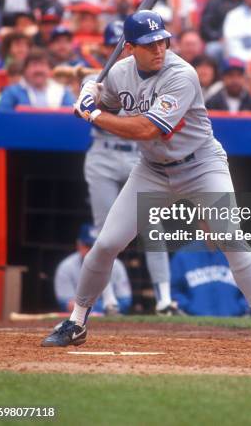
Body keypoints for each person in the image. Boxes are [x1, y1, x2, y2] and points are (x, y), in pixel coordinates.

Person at [41, 9, 251, 353]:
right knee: (107, 243)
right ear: (129, 48)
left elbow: (146, 128)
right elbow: (105, 97)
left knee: (231, 238)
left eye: (162, 41)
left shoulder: (182, 74)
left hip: (201, 164)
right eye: (149, 44)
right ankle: (76, 321)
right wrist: (90, 92)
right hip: (153, 169)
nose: (159, 49)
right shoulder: (121, 73)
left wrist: (93, 113)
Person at [83, 27, 177, 314]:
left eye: (120, 45)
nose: (118, 50)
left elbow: (140, 121)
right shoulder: (103, 78)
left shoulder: (147, 79)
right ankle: (108, 301)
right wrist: (87, 90)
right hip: (103, 157)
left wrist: (95, 108)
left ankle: (164, 299)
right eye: (113, 45)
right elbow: (91, 99)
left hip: (137, 156)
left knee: (153, 227)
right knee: (105, 232)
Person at [55, 224, 132, 316]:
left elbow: (125, 302)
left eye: (96, 246)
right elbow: (65, 304)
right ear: (79, 245)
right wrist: (106, 308)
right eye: (88, 245)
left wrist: (91, 309)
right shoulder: (66, 267)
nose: (93, 250)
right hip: (80, 320)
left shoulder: (117, 265)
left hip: (109, 320)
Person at [171, 240, 249, 316]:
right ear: (201, 226)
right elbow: (174, 290)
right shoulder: (184, 255)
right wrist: (185, 306)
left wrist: (242, 307)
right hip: (194, 322)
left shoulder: (240, 254)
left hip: (236, 319)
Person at [0, 48, 75, 111]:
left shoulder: (63, 92)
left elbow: (72, 119)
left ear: (50, 70)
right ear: (25, 70)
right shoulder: (11, 92)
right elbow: (3, 120)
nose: (38, 70)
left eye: (42, 64)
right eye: (34, 65)